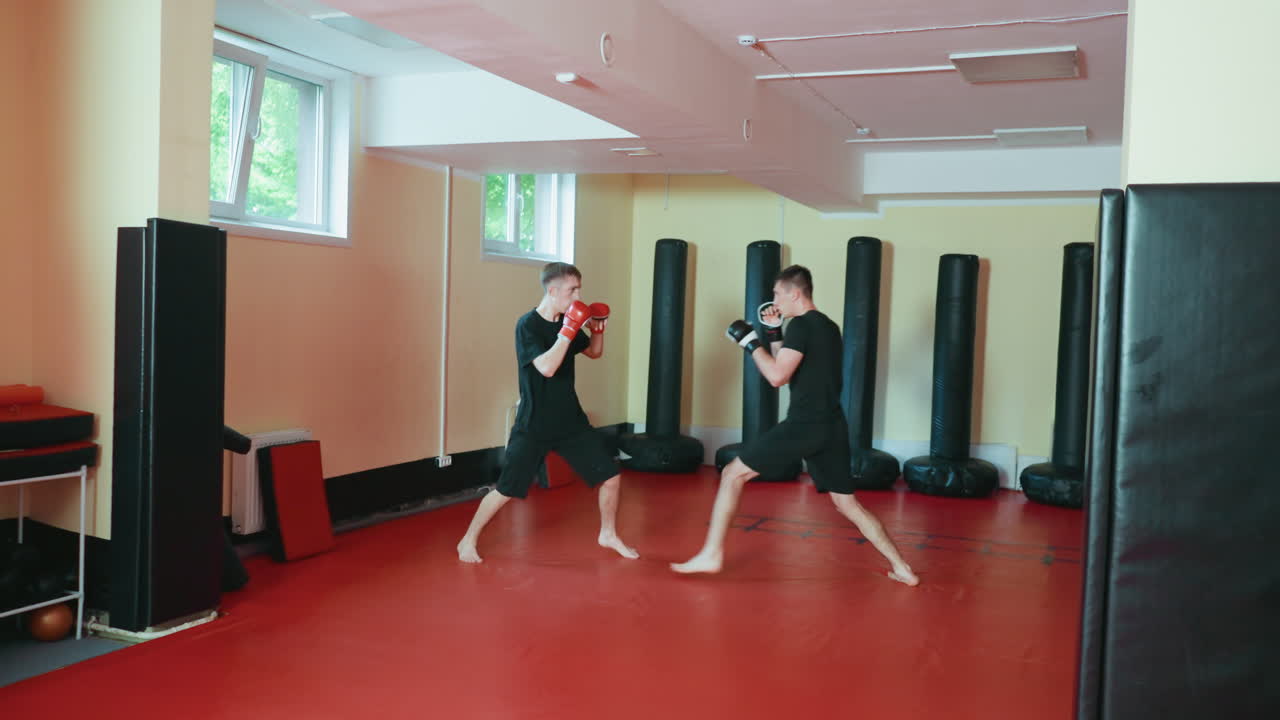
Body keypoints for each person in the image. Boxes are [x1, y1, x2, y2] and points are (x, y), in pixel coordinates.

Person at [671, 265, 918, 585]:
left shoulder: (801, 325)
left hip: (805, 424)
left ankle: (711, 554)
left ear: (795, 293)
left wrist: (750, 342)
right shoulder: (827, 326)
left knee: (733, 473)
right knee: (848, 503)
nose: (774, 301)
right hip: (832, 425)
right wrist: (774, 333)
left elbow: (776, 377)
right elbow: (789, 369)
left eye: (777, 294)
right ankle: (902, 568)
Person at [457, 262, 638, 564]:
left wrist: (598, 328)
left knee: (610, 476)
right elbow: (547, 367)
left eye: (579, 289)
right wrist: (568, 330)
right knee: (506, 489)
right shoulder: (527, 326)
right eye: (572, 290)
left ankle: (608, 534)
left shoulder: (567, 320)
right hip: (534, 423)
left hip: (570, 421)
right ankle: (468, 540)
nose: (578, 296)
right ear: (552, 291)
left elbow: (594, 352)